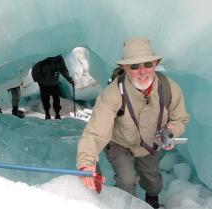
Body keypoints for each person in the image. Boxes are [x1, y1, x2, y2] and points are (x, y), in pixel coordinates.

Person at [76, 38, 189, 208]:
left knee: (153, 184)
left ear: (155, 63)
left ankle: (152, 197)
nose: (142, 71)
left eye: (147, 64)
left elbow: (180, 118)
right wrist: (86, 163)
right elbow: (95, 132)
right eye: (134, 66)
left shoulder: (169, 88)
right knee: (126, 181)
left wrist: (170, 131)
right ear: (125, 68)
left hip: (151, 143)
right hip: (120, 143)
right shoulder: (112, 94)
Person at [31, 55, 74, 120]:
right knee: (53, 100)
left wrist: (37, 79)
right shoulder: (56, 58)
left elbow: (34, 68)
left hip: (49, 84)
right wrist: (69, 79)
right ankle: (53, 114)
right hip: (48, 84)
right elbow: (63, 69)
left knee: (50, 100)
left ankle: (51, 114)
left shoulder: (56, 58)